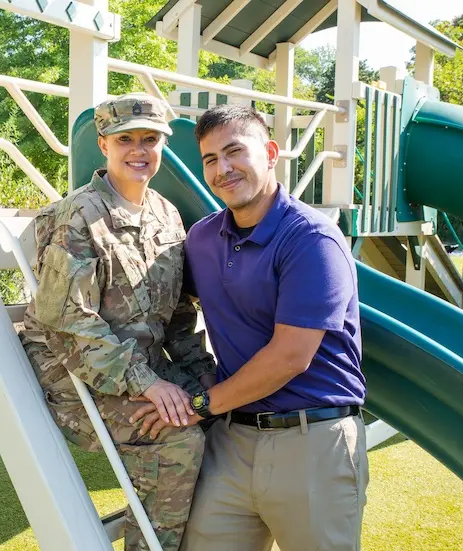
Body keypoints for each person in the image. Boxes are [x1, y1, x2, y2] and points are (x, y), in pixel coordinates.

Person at [132, 104, 368, 551]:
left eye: (235, 151)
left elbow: (290, 357)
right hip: (233, 441)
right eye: (210, 159)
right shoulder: (201, 238)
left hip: (312, 442)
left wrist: (199, 405)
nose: (222, 169)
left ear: (271, 153)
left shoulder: (311, 239)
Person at [19, 93, 216, 551]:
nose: (139, 150)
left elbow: (180, 316)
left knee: (219, 414)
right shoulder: (80, 215)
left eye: (150, 139)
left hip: (135, 369)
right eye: (125, 139)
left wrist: (205, 374)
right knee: (177, 443)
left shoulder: (166, 216)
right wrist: (149, 384)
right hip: (74, 376)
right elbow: (66, 322)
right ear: (104, 144)